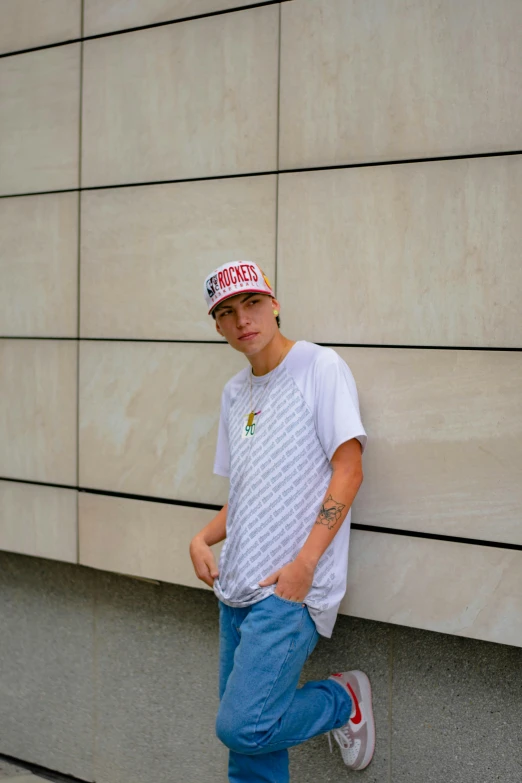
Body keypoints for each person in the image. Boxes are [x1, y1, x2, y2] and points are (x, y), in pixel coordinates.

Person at [189, 260, 375, 782]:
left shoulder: (320, 368)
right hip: (235, 587)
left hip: (288, 590)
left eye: (251, 303)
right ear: (219, 328)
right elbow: (245, 494)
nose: (243, 319)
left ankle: (341, 700)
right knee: (250, 756)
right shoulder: (234, 393)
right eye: (227, 312)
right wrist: (203, 537)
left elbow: (349, 469)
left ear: (274, 304)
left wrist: (305, 565)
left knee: (244, 726)